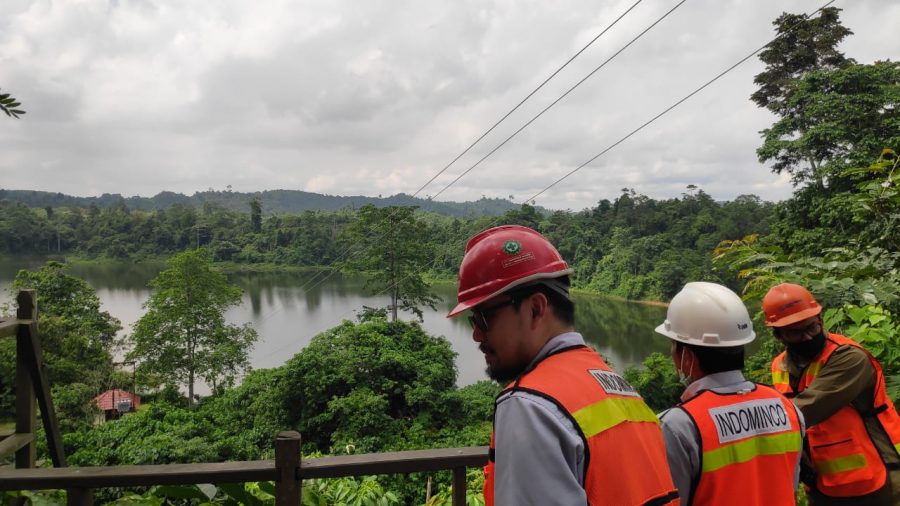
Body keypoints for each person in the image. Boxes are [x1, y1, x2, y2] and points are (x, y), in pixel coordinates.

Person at [447, 224, 679, 506]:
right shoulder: (620, 388)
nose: (476, 334)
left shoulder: (530, 405)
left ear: (535, 308)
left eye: (483, 318)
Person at [656, 282, 805, 505]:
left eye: (673, 346)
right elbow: (789, 487)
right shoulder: (788, 409)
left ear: (686, 355)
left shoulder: (679, 426)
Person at [764, 282, 900, 505]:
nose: (807, 337)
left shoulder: (848, 357)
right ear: (779, 336)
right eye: (795, 333)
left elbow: (803, 410)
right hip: (823, 483)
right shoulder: (779, 365)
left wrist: (753, 422)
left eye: (811, 327)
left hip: (877, 478)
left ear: (821, 321)